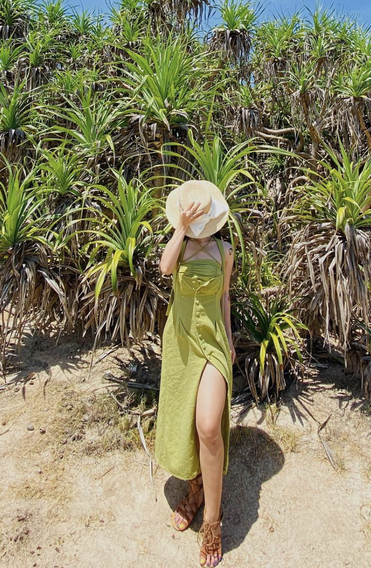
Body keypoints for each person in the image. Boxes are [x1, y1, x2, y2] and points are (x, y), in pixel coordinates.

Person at [155, 179, 236, 568]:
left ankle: (212, 522)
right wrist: (180, 228)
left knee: (208, 426)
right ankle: (196, 488)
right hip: (182, 343)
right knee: (187, 422)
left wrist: (231, 340)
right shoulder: (182, 248)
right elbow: (163, 267)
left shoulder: (225, 251)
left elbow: (224, 298)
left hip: (214, 343)